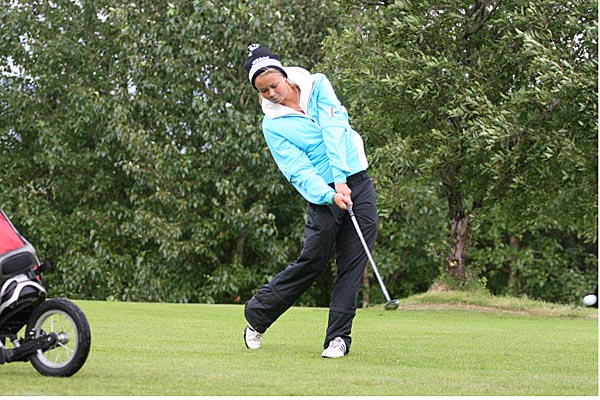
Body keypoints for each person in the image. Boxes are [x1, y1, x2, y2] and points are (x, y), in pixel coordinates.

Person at [242, 44, 378, 358]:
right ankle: (258, 314)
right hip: (322, 194)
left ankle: (338, 339)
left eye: (274, 85)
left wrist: (342, 179)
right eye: (263, 91)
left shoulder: (318, 86)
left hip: (357, 180)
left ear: (285, 76)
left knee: (353, 263)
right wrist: (330, 193)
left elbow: (335, 129)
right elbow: (298, 170)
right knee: (314, 261)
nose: (271, 94)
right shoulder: (273, 125)